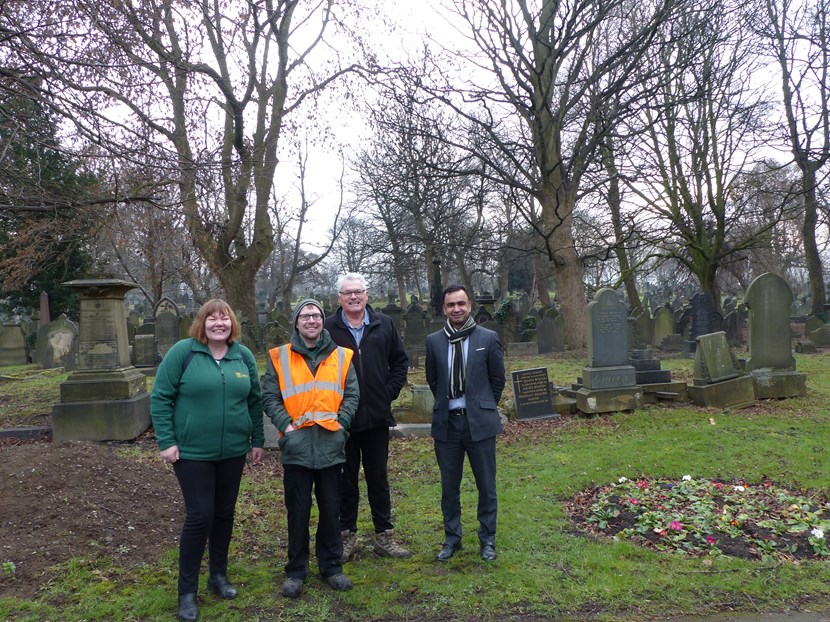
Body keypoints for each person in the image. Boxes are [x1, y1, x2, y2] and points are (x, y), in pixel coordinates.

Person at [151, 299, 264, 622]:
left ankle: (218, 576)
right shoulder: (183, 353)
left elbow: (254, 401)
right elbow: (161, 397)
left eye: (224, 318)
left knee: (224, 514)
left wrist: (257, 440)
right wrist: (167, 441)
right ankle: (186, 591)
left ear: (232, 324)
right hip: (191, 453)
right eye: (212, 318)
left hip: (232, 451)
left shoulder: (241, 356)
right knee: (201, 515)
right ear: (202, 323)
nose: (219, 323)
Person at [263, 299, 359, 598]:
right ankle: (296, 571)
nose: (312, 320)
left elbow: (352, 395)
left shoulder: (342, 356)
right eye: (305, 316)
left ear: (323, 321)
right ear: (296, 322)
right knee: (298, 512)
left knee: (332, 511)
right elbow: (270, 397)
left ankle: (331, 566)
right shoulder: (279, 357)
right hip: (297, 448)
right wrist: (288, 428)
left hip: (331, 446)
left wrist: (342, 424)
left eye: (316, 315)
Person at [324, 273, 410, 562]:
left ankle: (384, 535)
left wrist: (387, 394)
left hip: (376, 417)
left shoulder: (383, 324)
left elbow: (399, 362)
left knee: (378, 478)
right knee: (345, 479)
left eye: (358, 292)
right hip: (342, 420)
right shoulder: (328, 329)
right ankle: (347, 535)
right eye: (347, 293)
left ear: (366, 295)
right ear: (339, 298)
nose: (353, 297)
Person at [425, 285, 505, 562]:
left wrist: (482, 406)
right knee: (449, 486)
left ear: (469, 305)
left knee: (486, 484)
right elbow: (433, 380)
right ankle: (452, 539)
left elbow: (497, 380)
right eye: (450, 305)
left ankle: (488, 539)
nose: (456, 309)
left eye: (461, 303)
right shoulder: (434, 341)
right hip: (447, 424)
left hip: (480, 424)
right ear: (444, 309)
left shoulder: (488, 338)